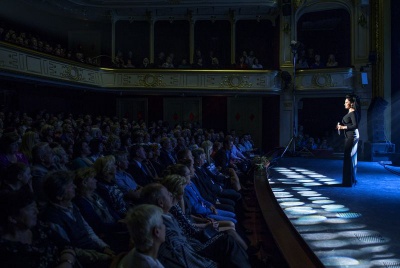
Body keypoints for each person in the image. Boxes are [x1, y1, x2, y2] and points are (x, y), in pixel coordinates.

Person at [336, 94, 360, 187]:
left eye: (346, 102)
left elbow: (355, 125)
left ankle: (349, 181)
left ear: (352, 103)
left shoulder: (353, 112)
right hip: (349, 135)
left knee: (348, 157)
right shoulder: (350, 112)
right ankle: (349, 180)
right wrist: (340, 126)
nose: (344, 104)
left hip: (352, 136)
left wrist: (342, 127)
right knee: (348, 157)